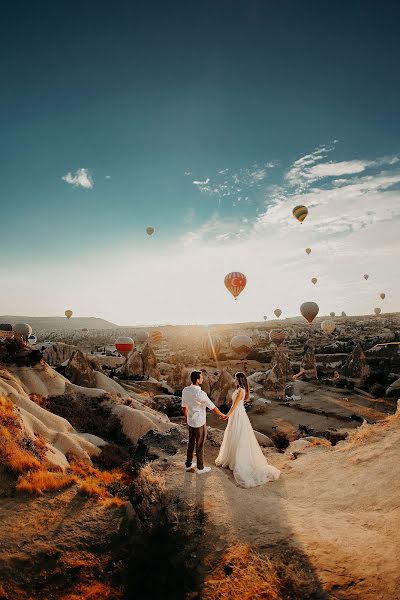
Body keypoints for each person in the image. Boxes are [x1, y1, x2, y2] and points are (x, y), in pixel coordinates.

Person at [215, 372, 280, 488]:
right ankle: (232, 459)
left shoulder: (241, 391)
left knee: (240, 436)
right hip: (236, 414)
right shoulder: (239, 389)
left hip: (238, 414)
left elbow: (235, 405)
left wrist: (227, 415)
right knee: (234, 435)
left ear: (238, 380)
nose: (234, 381)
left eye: (235, 379)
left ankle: (240, 461)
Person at [182, 370, 227, 475]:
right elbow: (212, 407)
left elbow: (184, 407)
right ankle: (200, 467)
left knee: (191, 442)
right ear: (197, 380)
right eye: (201, 377)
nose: (203, 379)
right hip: (199, 422)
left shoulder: (185, 390)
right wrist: (222, 415)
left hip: (191, 421)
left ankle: (188, 465)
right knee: (200, 444)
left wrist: (187, 418)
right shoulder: (200, 393)